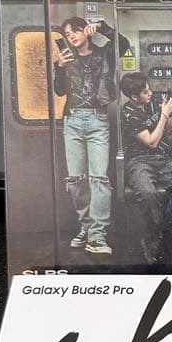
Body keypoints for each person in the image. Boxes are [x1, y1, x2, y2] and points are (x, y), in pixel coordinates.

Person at [53, 16, 129, 256]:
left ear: (85, 30)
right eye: (67, 34)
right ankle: (86, 227)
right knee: (76, 179)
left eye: (74, 31)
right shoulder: (66, 58)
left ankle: (97, 236)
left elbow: (123, 44)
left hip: (98, 119)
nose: (71, 36)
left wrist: (103, 27)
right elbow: (60, 91)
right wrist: (60, 67)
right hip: (73, 119)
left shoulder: (104, 54)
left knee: (99, 178)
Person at [119, 72, 172, 265]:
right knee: (147, 192)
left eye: (149, 88)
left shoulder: (153, 103)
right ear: (134, 97)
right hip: (139, 161)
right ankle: (153, 236)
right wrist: (164, 115)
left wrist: (165, 111)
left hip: (162, 158)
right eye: (145, 92)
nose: (150, 93)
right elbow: (151, 141)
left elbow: (166, 128)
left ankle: (165, 232)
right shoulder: (128, 114)